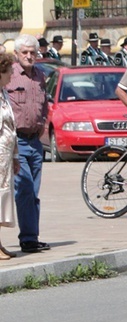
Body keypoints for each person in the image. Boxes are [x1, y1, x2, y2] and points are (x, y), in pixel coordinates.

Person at [7, 34, 50, 254]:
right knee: (23, 189)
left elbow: (44, 106)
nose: (29, 56)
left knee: (33, 191)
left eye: (32, 52)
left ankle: (32, 235)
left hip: (35, 142)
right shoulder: (9, 77)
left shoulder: (40, 76)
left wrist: (43, 123)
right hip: (17, 141)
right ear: (16, 54)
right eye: (24, 52)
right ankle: (28, 238)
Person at [0, 53, 19, 260]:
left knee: (3, 197)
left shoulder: (4, 94)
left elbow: (11, 127)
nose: (12, 75)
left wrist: (15, 156)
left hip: (5, 156)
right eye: (9, 72)